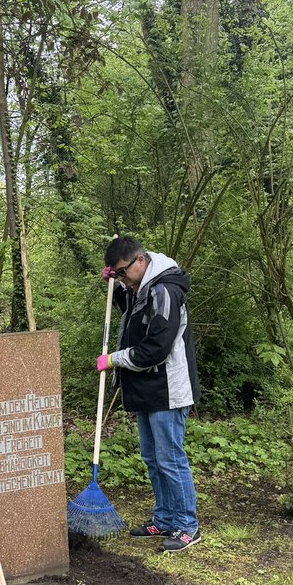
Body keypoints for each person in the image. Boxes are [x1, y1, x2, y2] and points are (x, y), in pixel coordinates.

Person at [96, 236, 201, 551]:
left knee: (169, 458)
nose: (123, 278)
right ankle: (166, 519)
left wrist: (115, 359)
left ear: (140, 261)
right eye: (118, 274)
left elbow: (155, 350)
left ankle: (187, 526)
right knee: (153, 458)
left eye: (123, 272)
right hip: (146, 387)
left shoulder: (165, 292)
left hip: (168, 388)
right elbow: (131, 311)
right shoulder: (140, 287)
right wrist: (115, 286)